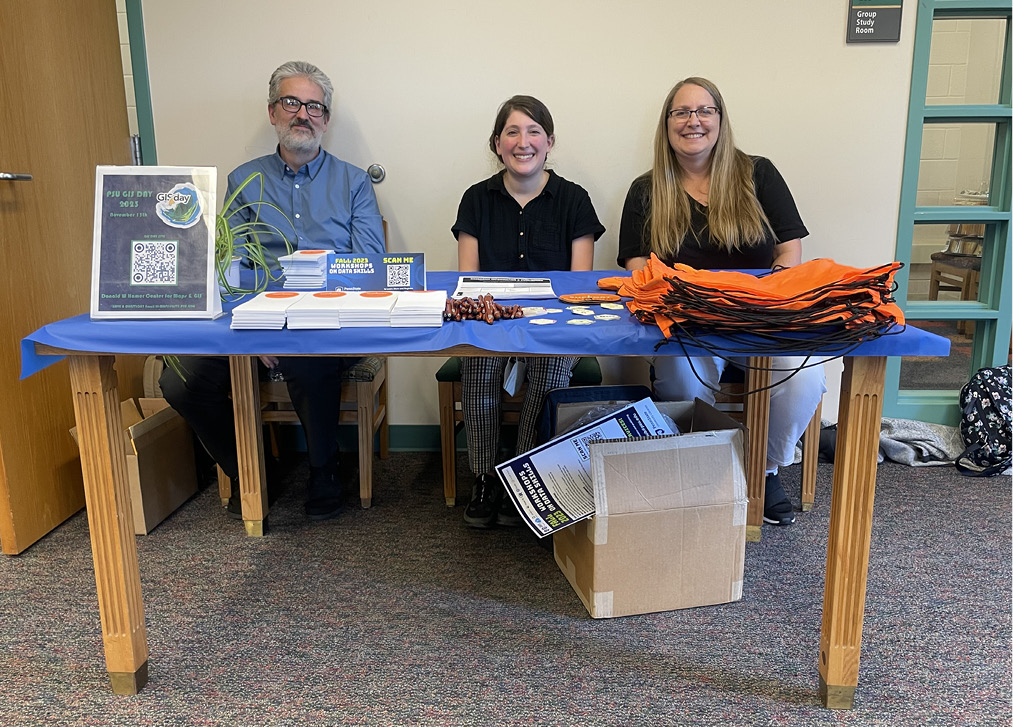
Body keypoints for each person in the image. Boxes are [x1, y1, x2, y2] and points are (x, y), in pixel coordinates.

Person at [160, 60, 385, 521]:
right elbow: (229, 265)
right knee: (180, 380)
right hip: (253, 320)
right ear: (272, 112)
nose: (303, 114)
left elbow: (370, 263)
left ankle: (324, 467)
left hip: (327, 315)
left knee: (308, 355)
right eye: (291, 102)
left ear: (326, 118)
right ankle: (250, 467)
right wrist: (259, 326)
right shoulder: (244, 180)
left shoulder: (354, 181)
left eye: (314, 106)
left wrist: (298, 312)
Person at [617, 77, 826, 527]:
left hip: (759, 320)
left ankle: (763, 469)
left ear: (720, 118)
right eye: (681, 112)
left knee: (804, 375)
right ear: (667, 124)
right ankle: (710, 469)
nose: (693, 120)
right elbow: (636, 266)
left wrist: (774, 295)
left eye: (704, 110)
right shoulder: (644, 189)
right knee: (680, 376)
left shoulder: (759, 173)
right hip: (687, 323)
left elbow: (789, 249)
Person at [452, 95, 605, 528]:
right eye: (513, 132)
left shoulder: (574, 200)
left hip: (555, 325)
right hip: (493, 321)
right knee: (478, 366)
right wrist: (495, 326)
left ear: (550, 141)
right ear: (497, 144)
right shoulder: (475, 200)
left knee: (550, 370)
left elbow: (578, 285)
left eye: (534, 131)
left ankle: (521, 475)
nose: (524, 142)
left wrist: (547, 328)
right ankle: (484, 477)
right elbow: (470, 282)